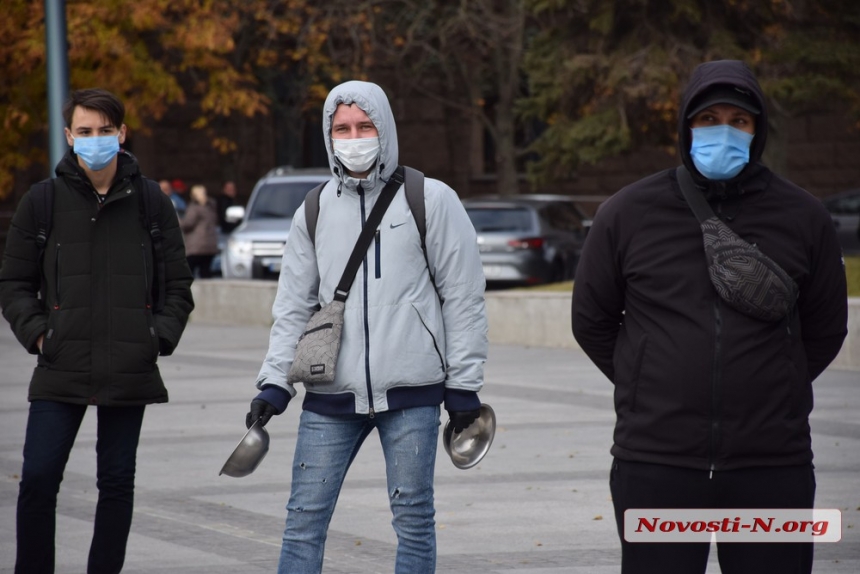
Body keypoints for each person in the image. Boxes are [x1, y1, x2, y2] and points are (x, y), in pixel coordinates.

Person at [571, 60, 847, 574]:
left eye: (739, 121)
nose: (724, 131)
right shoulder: (627, 213)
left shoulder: (804, 216)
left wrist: (774, 383)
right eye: (709, 119)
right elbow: (592, 320)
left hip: (771, 467)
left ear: (757, 130)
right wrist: (647, 381)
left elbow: (826, 327)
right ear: (685, 127)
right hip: (657, 465)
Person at [245, 80, 488, 573]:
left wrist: (464, 384)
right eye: (342, 129)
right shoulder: (311, 210)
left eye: (365, 126)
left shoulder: (431, 199)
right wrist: (273, 380)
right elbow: (292, 305)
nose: (354, 137)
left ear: (385, 129)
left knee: (414, 521)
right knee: (302, 521)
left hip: (414, 392)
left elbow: (463, 298)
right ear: (329, 136)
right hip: (330, 394)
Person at [0, 88, 195, 574]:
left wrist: (156, 338)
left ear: (121, 134)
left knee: (116, 483)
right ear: (69, 137)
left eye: (105, 131)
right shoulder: (42, 201)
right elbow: (14, 283)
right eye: (84, 132)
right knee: (39, 480)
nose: (95, 140)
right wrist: (43, 335)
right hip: (61, 364)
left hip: (129, 366)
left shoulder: (151, 201)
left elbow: (179, 285)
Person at [181, 184, 220, 278]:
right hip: (210, 247)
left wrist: (177, 220)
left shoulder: (194, 208)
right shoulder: (211, 207)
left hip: (196, 247)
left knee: (187, 274)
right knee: (205, 273)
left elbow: (187, 224)